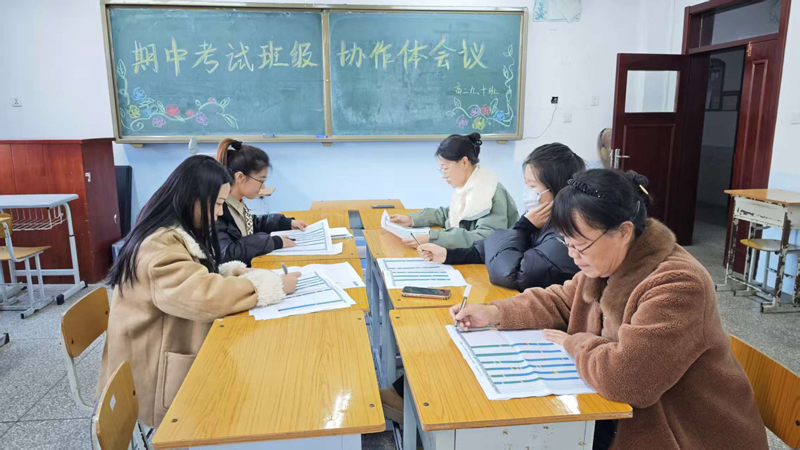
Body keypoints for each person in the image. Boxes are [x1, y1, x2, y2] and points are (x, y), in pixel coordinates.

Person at [450, 169, 768, 449]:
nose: (573, 255)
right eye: (566, 243)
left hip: (683, 434)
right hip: (626, 417)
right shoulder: (609, 264)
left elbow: (627, 380)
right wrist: (494, 312)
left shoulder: (679, 284)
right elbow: (562, 299)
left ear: (624, 231)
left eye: (581, 244)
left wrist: (576, 344)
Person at [97, 155, 301, 428]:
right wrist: (269, 285)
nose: (219, 213)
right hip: (155, 374)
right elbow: (201, 297)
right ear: (192, 198)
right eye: (217, 204)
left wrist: (232, 273)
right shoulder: (159, 247)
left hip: (169, 344)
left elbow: (196, 277)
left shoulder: (172, 232)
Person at [418, 143, 584, 291]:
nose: (527, 192)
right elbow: (491, 248)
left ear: (558, 189)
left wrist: (522, 227)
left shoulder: (567, 234)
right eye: (526, 184)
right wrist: (448, 255)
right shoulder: (540, 219)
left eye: (532, 185)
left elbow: (511, 273)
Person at [390, 132, 518, 249]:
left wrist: (434, 238)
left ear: (464, 162)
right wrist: (413, 219)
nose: (443, 175)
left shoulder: (489, 191)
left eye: (445, 168)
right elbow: (449, 214)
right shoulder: (469, 188)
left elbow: (485, 238)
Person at [215, 138, 307, 265]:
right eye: (261, 180)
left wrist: (285, 223)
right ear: (240, 177)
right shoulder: (216, 211)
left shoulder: (236, 202)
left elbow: (250, 225)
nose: (263, 187)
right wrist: (272, 242)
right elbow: (229, 253)